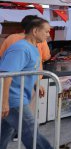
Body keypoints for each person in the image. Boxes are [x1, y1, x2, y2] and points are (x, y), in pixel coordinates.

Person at [0, 17, 53, 149]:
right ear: (35, 31)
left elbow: (29, 69)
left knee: (6, 131)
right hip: (14, 99)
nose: (48, 35)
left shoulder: (33, 47)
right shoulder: (21, 48)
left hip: (19, 97)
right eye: (46, 31)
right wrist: (4, 102)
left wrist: (36, 84)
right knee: (31, 131)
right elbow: (7, 74)